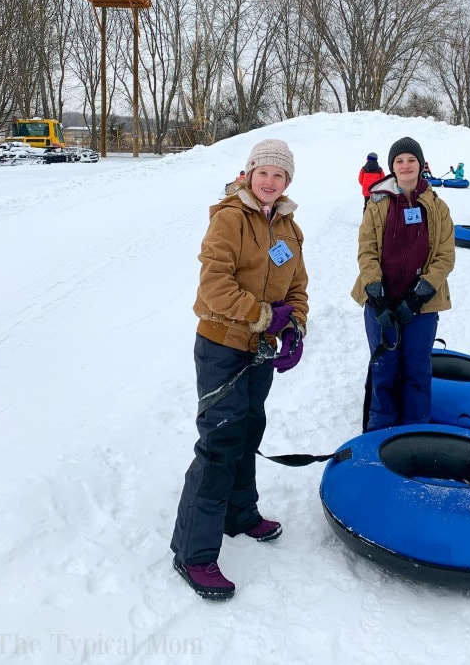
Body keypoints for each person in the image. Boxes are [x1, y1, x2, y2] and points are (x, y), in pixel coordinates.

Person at [171, 138, 309, 600]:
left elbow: (298, 288)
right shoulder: (230, 218)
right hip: (222, 345)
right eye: (263, 172)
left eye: (280, 175)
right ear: (248, 173)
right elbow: (215, 288)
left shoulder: (289, 226)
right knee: (220, 441)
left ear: (287, 181)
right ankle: (192, 552)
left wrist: (295, 329)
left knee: (249, 429)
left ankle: (239, 513)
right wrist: (269, 318)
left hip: (259, 351)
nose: (270, 181)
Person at [351, 136, 455, 431]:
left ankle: (414, 431)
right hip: (381, 303)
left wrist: (418, 296)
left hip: (421, 306)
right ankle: (379, 433)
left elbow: (445, 255)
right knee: (384, 368)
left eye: (411, 160)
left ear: (421, 165)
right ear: (392, 167)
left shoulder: (437, 206)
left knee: (417, 370)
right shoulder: (377, 204)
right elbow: (366, 249)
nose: (406, 166)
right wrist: (376, 293)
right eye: (400, 161)